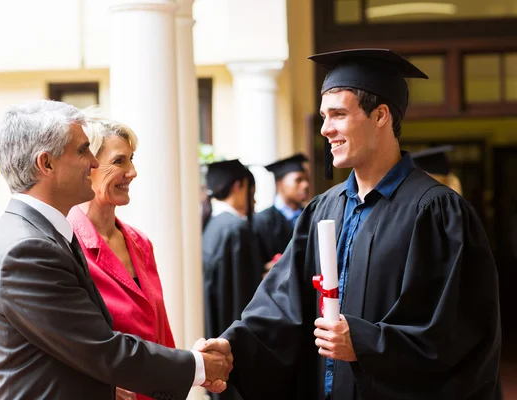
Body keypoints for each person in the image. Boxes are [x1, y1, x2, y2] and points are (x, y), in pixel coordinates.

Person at [201, 49, 501, 399]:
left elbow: (458, 333)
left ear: (381, 116)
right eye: (325, 116)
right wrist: (232, 347)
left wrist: (364, 342)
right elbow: (282, 304)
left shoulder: (437, 212)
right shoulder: (322, 211)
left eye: (339, 114)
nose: (326, 129)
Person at [0, 100, 231, 400]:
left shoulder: (42, 236)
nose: (93, 163)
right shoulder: (28, 249)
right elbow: (101, 350)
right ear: (47, 164)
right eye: (83, 151)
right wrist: (199, 366)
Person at [65, 109, 175, 400]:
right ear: (88, 166)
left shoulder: (140, 242)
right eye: (118, 161)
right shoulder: (65, 244)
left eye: (131, 159)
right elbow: (66, 346)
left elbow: (160, 329)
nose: (132, 172)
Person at [202, 159, 262, 400]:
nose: (254, 201)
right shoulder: (235, 230)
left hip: (213, 336)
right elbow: (242, 299)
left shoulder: (211, 226)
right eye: (251, 192)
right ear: (239, 186)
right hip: (231, 350)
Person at [253, 153, 310, 275]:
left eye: (306, 180)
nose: (306, 185)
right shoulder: (261, 221)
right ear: (280, 184)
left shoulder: (311, 216)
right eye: (298, 180)